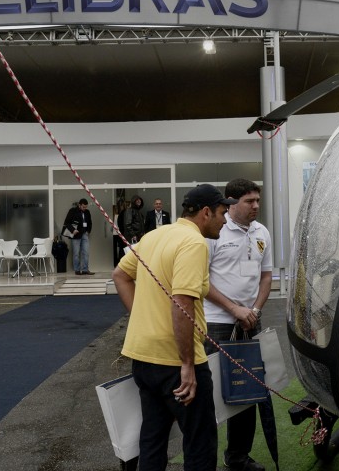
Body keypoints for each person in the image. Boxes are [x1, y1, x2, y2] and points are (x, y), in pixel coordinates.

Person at [112, 184, 235, 471]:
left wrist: (143, 317)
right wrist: (188, 365)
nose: (225, 220)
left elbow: (120, 275)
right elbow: (182, 301)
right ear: (206, 213)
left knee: (152, 439)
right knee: (200, 442)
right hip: (176, 361)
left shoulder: (154, 235)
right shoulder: (194, 244)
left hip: (144, 358)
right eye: (222, 213)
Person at [203, 179, 273, 471]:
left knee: (247, 392)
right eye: (249, 201)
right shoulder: (212, 233)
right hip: (217, 323)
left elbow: (266, 276)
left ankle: (238, 456)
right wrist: (233, 308)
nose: (256, 206)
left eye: (257, 200)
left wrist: (253, 309)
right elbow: (200, 281)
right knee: (212, 393)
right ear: (231, 203)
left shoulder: (262, 232)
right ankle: (202, 457)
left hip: (250, 321)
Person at [62, 198, 94, 275]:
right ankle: (77, 269)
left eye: (86, 207)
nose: (85, 208)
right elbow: (67, 223)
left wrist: (88, 231)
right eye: (83, 207)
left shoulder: (87, 212)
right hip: (76, 235)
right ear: (79, 205)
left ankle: (85, 269)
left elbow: (90, 222)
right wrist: (73, 230)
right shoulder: (72, 211)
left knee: (86, 252)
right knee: (76, 253)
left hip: (84, 234)